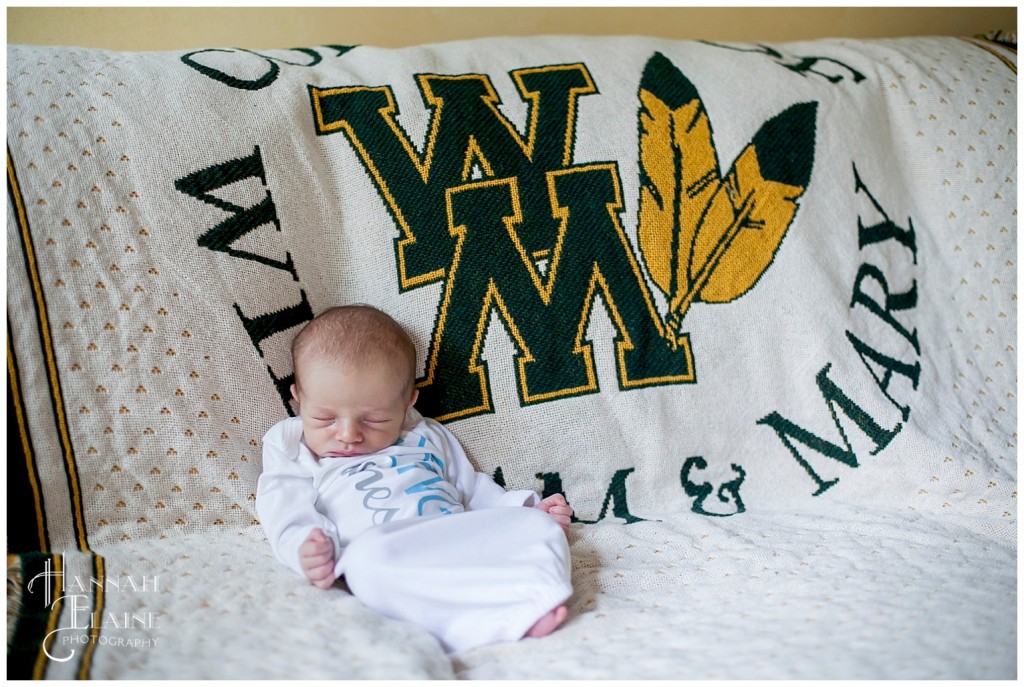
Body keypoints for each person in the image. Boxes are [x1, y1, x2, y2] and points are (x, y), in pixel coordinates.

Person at [256, 304, 574, 652]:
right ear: (298, 400)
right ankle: (490, 621)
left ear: (408, 402)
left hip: (454, 538)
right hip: (390, 553)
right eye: (325, 418)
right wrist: (304, 545)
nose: (348, 435)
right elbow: (282, 507)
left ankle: (531, 595)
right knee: (364, 563)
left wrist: (519, 509)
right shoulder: (292, 445)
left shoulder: (426, 435)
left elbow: (470, 487)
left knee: (538, 528)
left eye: (374, 419)